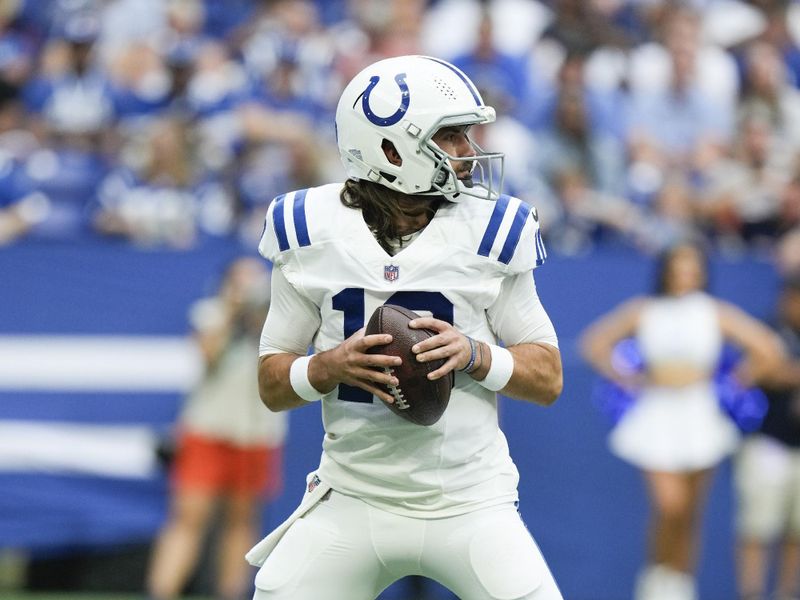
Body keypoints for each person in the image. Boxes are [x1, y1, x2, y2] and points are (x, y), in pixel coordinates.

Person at [248, 55, 564, 600]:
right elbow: (272, 386)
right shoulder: (309, 229)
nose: (469, 150)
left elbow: (549, 378)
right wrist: (327, 366)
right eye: (452, 136)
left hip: (469, 499)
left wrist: (475, 355)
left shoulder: (491, 228)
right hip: (352, 497)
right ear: (391, 151)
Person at [579, 241, 784, 600]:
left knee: (690, 512)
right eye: (679, 265)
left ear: (702, 270)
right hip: (656, 414)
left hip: (700, 414)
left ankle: (681, 586)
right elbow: (594, 343)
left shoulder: (713, 312)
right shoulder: (644, 310)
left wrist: (736, 379)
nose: (685, 273)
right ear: (666, 269)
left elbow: (767, 349)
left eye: (692, 266)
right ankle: (656, 582)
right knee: (668, 506)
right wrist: (628, 377)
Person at [147, 256, 288, 600]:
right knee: (187, 520)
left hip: (257, 433)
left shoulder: (278, 318)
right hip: (207, 430)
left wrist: (259, 316)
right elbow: (208, 354)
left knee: (241, 522)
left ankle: (233, 593)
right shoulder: (210, 312)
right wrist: (231, 311)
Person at [735, 275, 800, 600]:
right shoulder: (767, 331)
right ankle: (753, 593)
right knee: (757, 528)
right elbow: (750, 373)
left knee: (796, 530)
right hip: (767, 443)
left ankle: (787, 593)